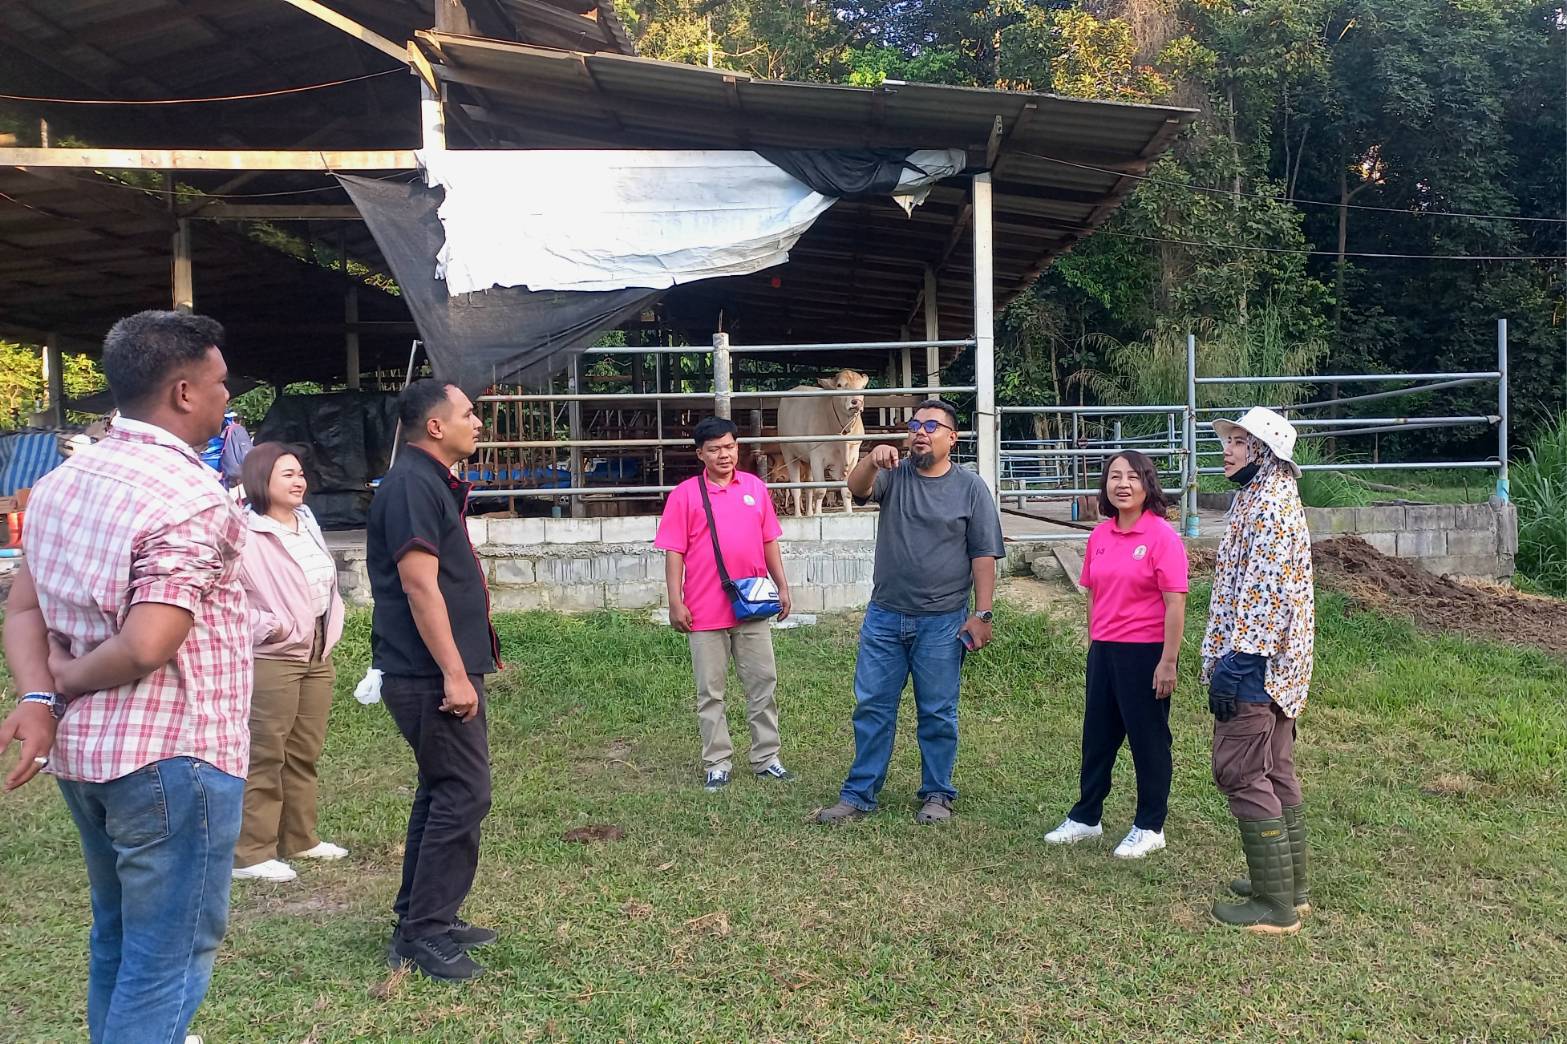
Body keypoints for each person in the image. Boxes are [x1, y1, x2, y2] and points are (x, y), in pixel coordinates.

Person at [0, 310, 250, 1044]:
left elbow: (22, 607)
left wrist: (40, 697)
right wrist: (71, 678)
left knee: (118, 935)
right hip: (176, 756)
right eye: (219, 384)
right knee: (169, 956)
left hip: (88, 762)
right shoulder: (190, 494)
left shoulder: (59, 483)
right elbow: (148, 644)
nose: (224, 399)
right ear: (181, 392)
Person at [815, 399, 1005, 826]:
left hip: (943, 621)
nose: (920, 432)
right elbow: (856, 489)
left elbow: (983, 556)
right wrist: (869, 459)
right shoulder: (893, 476)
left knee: (937, 711)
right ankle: (858, 795)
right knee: (872, 707)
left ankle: (937, 793)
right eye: (915, 425)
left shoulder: (970, 488)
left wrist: (984, 613)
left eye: (932, 426)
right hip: (884, 617)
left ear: (952, 438)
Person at [369, 378, 499, 982]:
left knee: (442, 789)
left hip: (434, 671)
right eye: (468, 414)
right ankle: (424, 934)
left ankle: (423, 919)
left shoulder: (426, 482)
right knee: (464, 793)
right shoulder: (412, 484)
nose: (479, 423)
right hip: (426, 674)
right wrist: (453, 673)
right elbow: (420, 586)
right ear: (436, 427)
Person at [1202, 406, 1315, 935]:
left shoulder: (1268, 507)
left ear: (1264, 452)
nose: (1227, 449)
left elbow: (1266, 594)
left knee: (1242, 769)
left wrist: (1239, 662)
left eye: (1239, 442)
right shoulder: (1267, 498)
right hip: (1279, 665)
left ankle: (1274, 905)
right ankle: (1291, 885)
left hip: (1256, 663)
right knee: (1274, 767)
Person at [1045, 450, 1188, 859]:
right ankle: (1087, 816)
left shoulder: (1162, 537)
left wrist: (1168, 660)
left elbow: (1175, 603)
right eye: (1114, 476)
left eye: (1132, 476)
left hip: (1145, 654)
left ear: (1148, 484)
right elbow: (1093, 592)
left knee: (1149, 741)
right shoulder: (1100, 536)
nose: (1122, 484)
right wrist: (1095, 643)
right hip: (1105, 652)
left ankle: (1150, 825)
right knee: (1098, 739)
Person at [655, 415, 794, 791]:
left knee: (763, 683)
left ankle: (767, 757)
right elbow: (674, 552)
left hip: (752, 606)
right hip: (702, 611)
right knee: (710, 691)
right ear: (700, 454)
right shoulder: (685, 494)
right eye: (714, 449)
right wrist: (674, 601)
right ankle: (717, 761)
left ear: (738, 448)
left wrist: (782, 586)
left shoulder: (754, 487)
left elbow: (770, 542)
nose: (724, 455)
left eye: (730, 446)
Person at [231, 443, 348, 883]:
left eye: (300, 473)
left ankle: (299, 838)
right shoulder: (243, 532)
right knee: (265, 751)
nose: (299, 481)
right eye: (287, 475)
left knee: (304, 749)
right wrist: (270, 626)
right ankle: (250, 851)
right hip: (272, 655)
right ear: (262, 480)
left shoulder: (307, 523)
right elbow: (224, 598)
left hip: (317, 650)